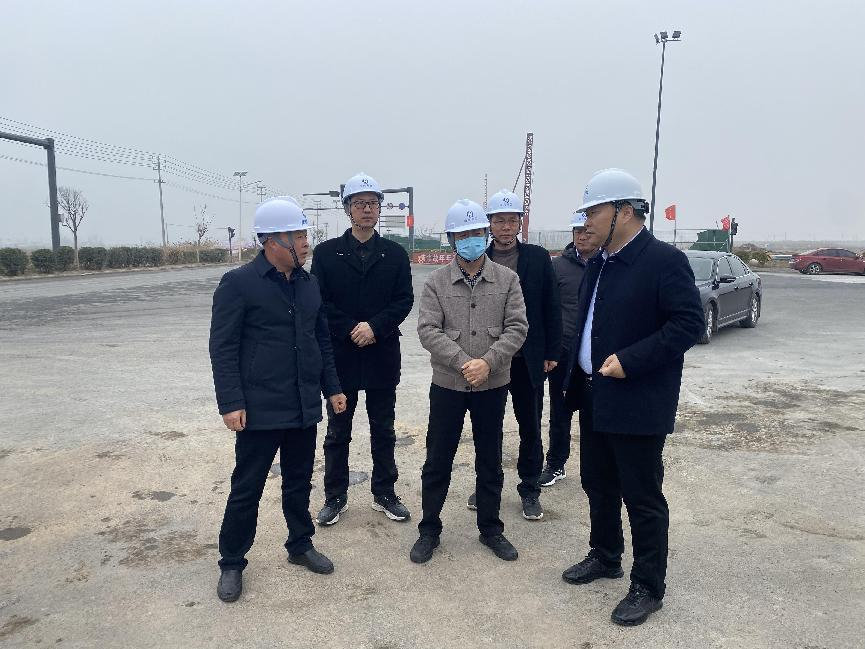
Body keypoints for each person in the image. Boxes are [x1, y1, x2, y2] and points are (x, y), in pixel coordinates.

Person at [561, 169, 704, 626]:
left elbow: (688, 324)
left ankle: (648, 585)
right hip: (594, 394)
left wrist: (630, 360)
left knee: (641, 496)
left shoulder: (663, 261)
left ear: (624, 211)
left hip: (638, 399)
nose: (586, 220)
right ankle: (605, 555)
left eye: (594, 211)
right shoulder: (599, 261)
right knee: (597, 482)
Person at [209, 197, 348, 603]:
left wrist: (333, 387)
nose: (305, 243)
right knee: (247, 487)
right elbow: (223, 348)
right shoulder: (238, 284)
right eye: (298, 235)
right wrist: (230, 402)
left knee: (299, 481)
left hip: (303, 404)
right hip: (259, 407)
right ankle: (232, 561)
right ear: (271, 241)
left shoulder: (308, 283)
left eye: (306, 234)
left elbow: (320, 340)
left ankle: (300, 544)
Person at [410, 199, 528, 564]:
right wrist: (464, 363)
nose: (471, 240)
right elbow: (428, 329)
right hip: (448, 385)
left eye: (476, 233)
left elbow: (517, 327)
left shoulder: (507, 280)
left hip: (492, 385)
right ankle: (429, 529)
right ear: (451, 239)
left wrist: (488, 363)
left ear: (486, 234)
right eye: (463, 235)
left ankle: (491, 528)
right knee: (437, 458)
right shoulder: (436, 282)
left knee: (490, 458)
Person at [311, 173, 414, 526]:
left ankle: (385, 492)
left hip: (381, 353)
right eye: (359, 203)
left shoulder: (395, 254)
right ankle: (335, 496)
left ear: (379, 209)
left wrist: (375, 327)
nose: (367, 209)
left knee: (383, 429)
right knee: (337, 431)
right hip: (341, 356)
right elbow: (320, 301)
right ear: (347, 209)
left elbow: (403, 300)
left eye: (372, 203)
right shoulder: (326, 254)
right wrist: (350, 329)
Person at [466, 189, 561, 521]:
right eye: (499, 221)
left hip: (527, 360)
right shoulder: (478, 258)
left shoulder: (537, 258)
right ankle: (487, 485)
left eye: (511, 220)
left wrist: (551, 350)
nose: (506, 227)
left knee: (529, 427)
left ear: (520, 223)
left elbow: (551, 305)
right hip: (489, 361)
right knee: (487, 428)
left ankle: (530, 488)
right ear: (489, 225)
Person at [539, 212, 598, 487]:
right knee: (560, 412)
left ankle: (596, 467)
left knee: (595, 413)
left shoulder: (606, 264)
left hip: (596, 354)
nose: (582, 236)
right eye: (577, 231)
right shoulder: (558, 266)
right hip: (563, 353)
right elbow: (547, 310)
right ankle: (555, 464)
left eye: (587, 230)